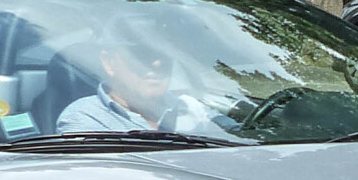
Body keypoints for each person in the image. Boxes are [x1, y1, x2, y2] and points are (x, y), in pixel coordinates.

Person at [53, 17, 235, 136]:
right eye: (141, 55)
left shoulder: (190, 106)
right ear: (109, 62)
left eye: (163, 54)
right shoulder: (85, 119)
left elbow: (241, 136)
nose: (157, 63)